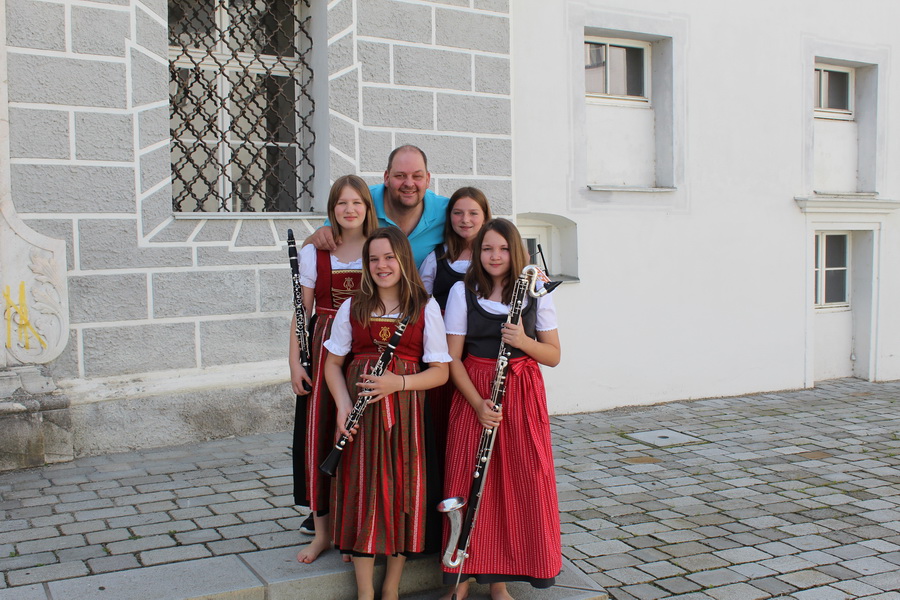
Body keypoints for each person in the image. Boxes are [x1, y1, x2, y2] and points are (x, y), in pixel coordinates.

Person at [323, 227, 451, 600]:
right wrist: (343, 408)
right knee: (361, 491)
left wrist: (400, 384)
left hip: (405, 415)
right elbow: (332, 365)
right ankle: (365, 591)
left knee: (401, 493)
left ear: (403, 260)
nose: (382, 265)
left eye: (389, 257)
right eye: (374, 258)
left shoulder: (425, 307)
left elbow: (440, 371)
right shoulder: (353, 306)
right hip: (359, 418)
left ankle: (391, 588)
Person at [440, 219, 562, 600]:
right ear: (478, 253)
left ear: (517, 253)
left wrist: (524, 340)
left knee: (518, 484)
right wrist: (477, 404)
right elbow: (452, 359)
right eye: (488, 248)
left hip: (521, 396)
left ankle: (500, 584)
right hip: (476, 393)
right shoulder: (463, 293)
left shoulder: (536, 293)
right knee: (468, 483)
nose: (495, 256)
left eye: (504, 249)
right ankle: (458, 581)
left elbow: (554, 356)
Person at [290, 175, 379, 563]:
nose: (349, 209)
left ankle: (353, 528)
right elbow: (300, 312)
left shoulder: (379, 249)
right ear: (332, 209)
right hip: (325, 343)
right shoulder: (317, 252)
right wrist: (294, 360)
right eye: (342, 203)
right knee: (321, 434)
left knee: (361, 437)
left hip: (367, 344)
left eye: (357, 202)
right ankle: (323, 531)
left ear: (367, 208)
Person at [418, 187, 492, 470]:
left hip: (478, 352)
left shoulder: (496, 258)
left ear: (485, 217)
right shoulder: (437, 258)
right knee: (441, 424)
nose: (465, 219)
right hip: (443, 352)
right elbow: (421, 302)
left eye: (473, 213)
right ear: (449, 218)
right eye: (458, 213)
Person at [306, 146, 449, 267]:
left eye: (417, 176)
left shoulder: (447, 210)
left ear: (428, 179)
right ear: (386, 177)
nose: (409, 183)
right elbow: (311, 247)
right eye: (400, 176)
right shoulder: (360, 202)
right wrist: (319, 235)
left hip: (420, 298)